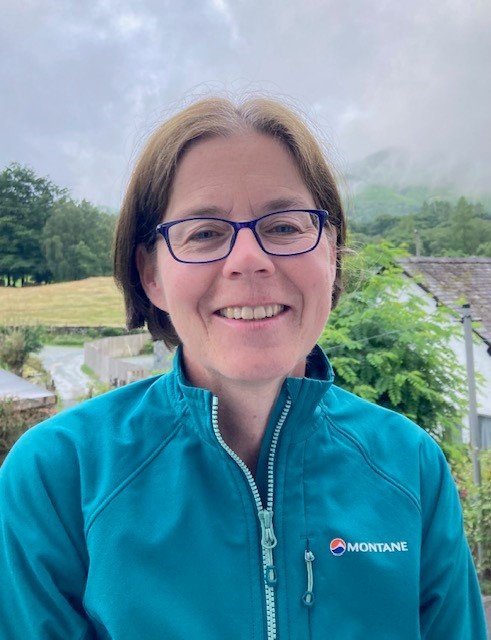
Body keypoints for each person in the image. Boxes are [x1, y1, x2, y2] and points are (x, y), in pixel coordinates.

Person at [0, 96, 487, 640]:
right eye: (204, 233)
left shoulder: (410, 465)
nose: (249, 259)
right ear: (151, 274)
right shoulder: (59, 476)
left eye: (284, 226)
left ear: (331, 253)